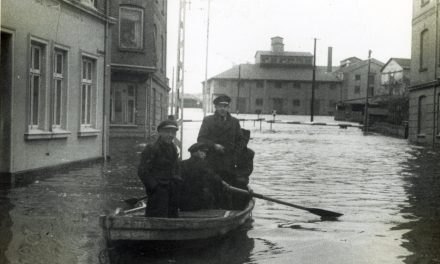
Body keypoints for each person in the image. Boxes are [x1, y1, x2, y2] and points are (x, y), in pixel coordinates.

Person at [197, 94, 243, 208]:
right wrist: (214, 145)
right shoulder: (208, 120)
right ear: (216, 107)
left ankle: (227, 211)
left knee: (228, 188)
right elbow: (201, 139)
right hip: (212, 161)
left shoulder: (234, 122)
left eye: (225, 106)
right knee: (212, 187)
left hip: (229, 162)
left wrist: (235, 154)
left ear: (228, 107)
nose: (222, 109)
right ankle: (212, 210)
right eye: (220, 106)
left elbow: (241, 140)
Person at [137, 120, 181, 218]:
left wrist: (177, 180)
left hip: (171, 188)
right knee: (157, 216)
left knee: (172, 216)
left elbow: (176, 167)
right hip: (158, 191)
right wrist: (154, 187)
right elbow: (142, 171)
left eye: (173, 132)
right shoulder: (152, 148)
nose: (170, 135)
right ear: (160, 132)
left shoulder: (173, 148)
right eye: (167, 132)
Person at [179, 143, 222, 211]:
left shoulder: (182, 164)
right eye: (203, 151)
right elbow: (214, 178)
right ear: (196, 152)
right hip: (199, 204)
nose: (205, 154)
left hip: (184, 204)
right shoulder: (203, 165)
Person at [232, 128, 255, 209]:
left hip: (240, 177)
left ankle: (239, 207)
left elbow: (248, 170)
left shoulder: (250, 153)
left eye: (245, 140)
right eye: (240, 140)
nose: (242, 143)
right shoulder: (229, 150)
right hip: (228, 175)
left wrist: (235, 174)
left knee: (239, 182)